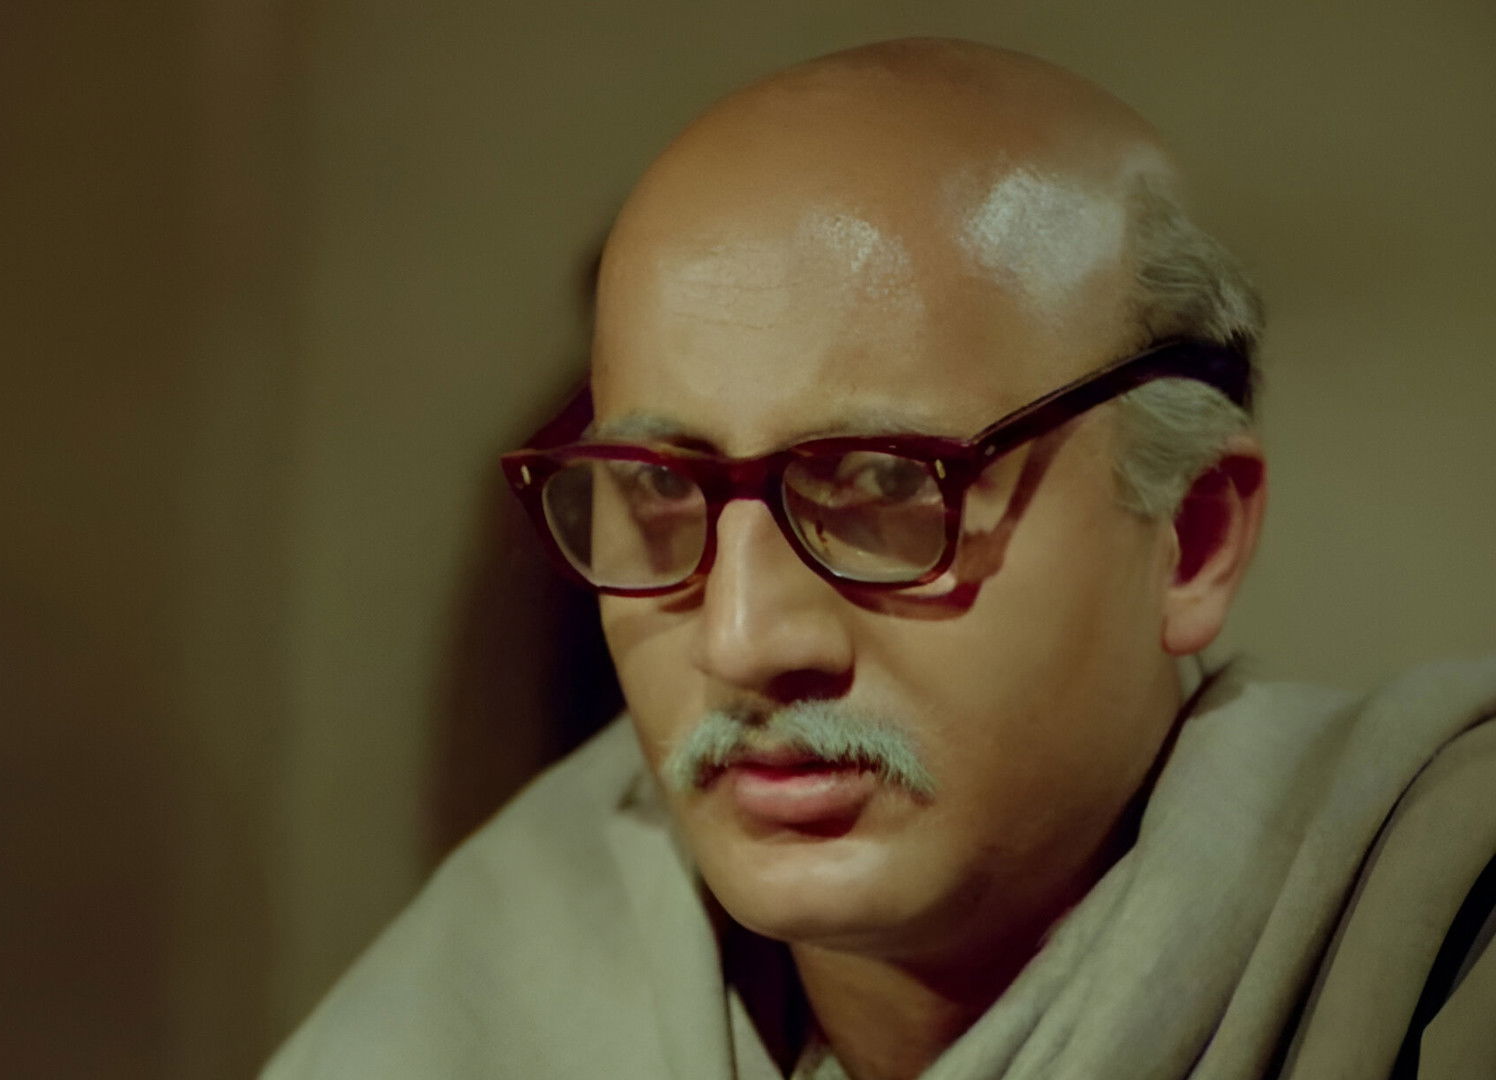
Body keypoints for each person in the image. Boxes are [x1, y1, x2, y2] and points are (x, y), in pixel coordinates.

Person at [262, 38, 1494, 1080]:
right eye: (662, 489)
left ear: (1193, 537)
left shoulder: (1434, 925)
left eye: (887, 485)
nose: (743, 639)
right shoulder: (506, 972)